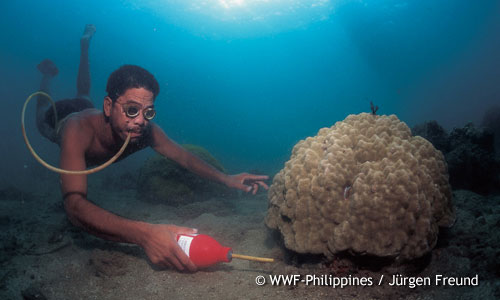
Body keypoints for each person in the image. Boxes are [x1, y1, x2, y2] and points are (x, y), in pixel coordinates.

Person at [35, 25, 269, 272]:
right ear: (109, 106)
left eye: (148, 112)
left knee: (83, 94)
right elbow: (74, 207)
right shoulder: (77, 131)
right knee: (40, 115)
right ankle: (46, 77)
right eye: (132, 110)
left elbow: (185, 158)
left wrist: (226, 178)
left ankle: (85, 46)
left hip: (86, 106)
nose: (140, 121)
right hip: (57, 117)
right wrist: (144, 234)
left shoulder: (146, 131)